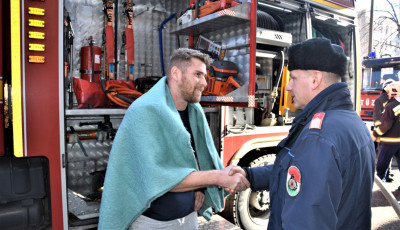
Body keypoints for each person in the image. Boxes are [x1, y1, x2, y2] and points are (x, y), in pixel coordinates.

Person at [228, 38, 376, 229]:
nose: (288, 87)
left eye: (294, 78)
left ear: (315, 79)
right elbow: (300, 175)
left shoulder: (319, 137)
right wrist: (251, 176)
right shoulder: (351, 122)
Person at [98, 48, 249, 230]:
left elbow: (194, 156)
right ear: (176, 73)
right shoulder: (145, 111)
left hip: (187, 217)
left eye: (205, 77)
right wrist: (218, 177)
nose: (204, 83)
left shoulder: (194, 111)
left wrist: (200, 188)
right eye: (198, 75)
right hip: (153, 223)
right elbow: (159, 177)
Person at [372, 82, 400, 182]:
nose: (387, 93)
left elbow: (386, 125)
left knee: (381, 166)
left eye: (389, 91)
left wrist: (375, 134)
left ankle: (382, 188)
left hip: (389, 142)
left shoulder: (391, 106)